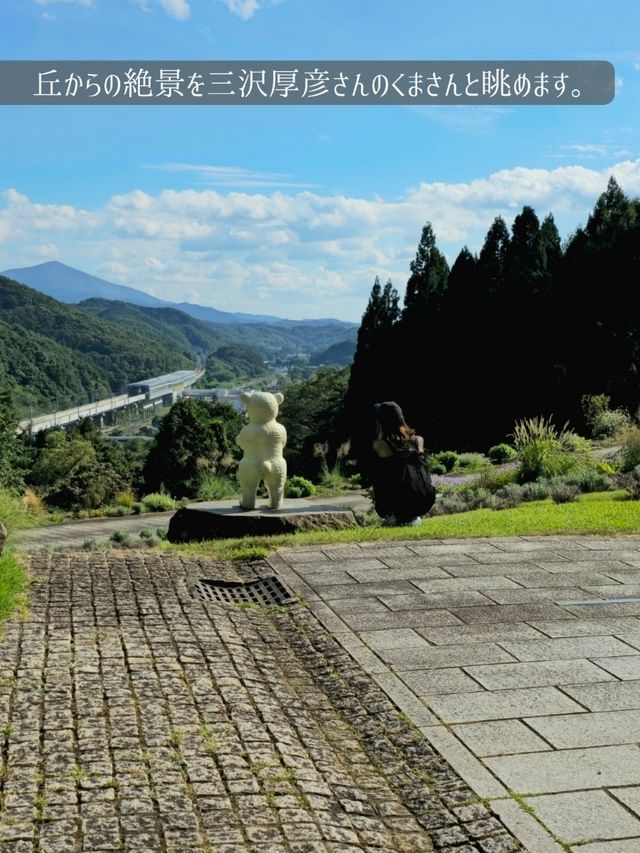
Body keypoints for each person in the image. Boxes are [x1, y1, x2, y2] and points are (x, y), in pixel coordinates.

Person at [371, 401, 436, 527]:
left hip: (399, 502)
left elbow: (381, 474)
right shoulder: (418, 440)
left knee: (381, 472)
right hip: (424, 498)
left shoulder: (381, 445)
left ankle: (393, 517)